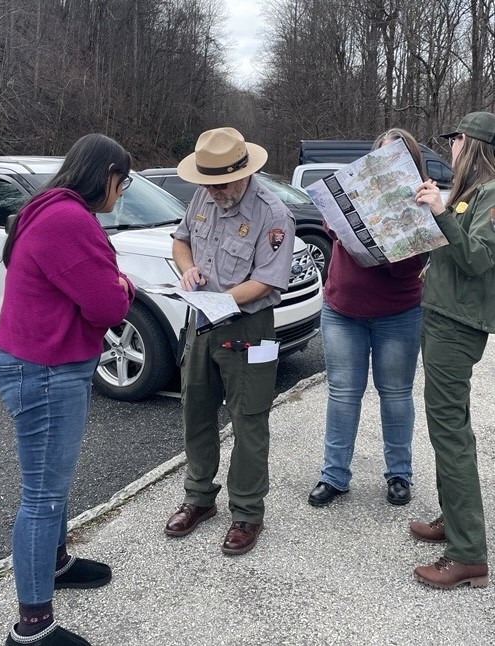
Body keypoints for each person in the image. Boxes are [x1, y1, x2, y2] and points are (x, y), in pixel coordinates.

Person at [0, 133, 136, 646]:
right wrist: (126, 286)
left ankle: (55, 563)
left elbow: (91, 289)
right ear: (108, 175)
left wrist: (113, 283)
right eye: (124, 181)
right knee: (42, 496)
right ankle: (32, 627)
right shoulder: (69, 219)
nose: (122, 193)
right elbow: (109, 305)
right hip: (45, 370)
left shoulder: (48, 207)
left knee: (53, 486)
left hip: (39, 363)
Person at [164, 127, 295, 556]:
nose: (214, 191)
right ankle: (199, 498)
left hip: (250, 329)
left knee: (249, 420)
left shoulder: (273, 214)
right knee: (196, 410)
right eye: (207, 183)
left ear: (244, 172)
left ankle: (246, 512)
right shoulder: (204, 195)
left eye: (221, 183)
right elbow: (181, 241)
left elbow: (265, 281)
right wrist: (187, 272)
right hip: (201, 321)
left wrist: (220, 298)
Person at [410, 111, 495, 590]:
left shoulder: (494, 195)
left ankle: (468, 554)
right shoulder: (468, 194)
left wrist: (438, 214)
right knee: (449, 429)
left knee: (451, 436)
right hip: (443, 319)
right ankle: (455, 523)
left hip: (457, 329)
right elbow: (455, 257)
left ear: (470, 144)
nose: (449, 148)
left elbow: (477, 258)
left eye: (454, 141)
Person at [307, 128, 426, 508]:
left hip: (398, 311)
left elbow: (410, 270)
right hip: (343, 309)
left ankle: (398, 475)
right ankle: (334, 475)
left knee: (395, 395)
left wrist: (387, 245)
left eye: (397, 156)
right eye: (382, 155)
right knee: (342, 394)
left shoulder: (423, 200)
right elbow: (330, 224)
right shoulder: (354, 185)